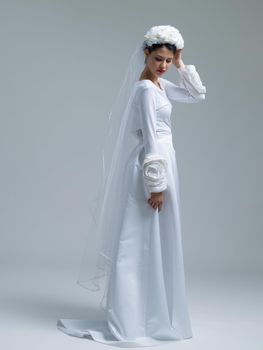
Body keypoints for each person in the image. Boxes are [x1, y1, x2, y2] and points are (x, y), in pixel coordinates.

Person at [57, 24, 207, 347]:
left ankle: (148, 313)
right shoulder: (144, 91)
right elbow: (152, 139)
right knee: (136, 241)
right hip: (152, 168)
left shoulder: (162, 86)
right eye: (159, 59)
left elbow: (197, 94)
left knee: (154, 239)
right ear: (146, 55)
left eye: (168, 60)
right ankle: (129, 318)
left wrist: (182, 65)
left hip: (166, 163)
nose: (163, 65)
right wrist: (156, 184)